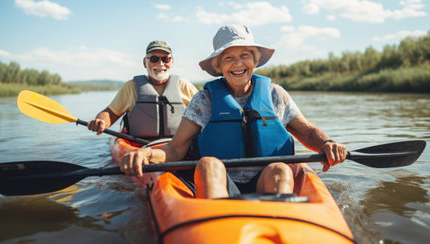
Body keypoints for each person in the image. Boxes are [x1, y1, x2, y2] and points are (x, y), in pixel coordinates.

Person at [119, 25, 347, 198]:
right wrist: (145, 155)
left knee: (280, 169)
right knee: (208, 164)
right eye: (229, 58)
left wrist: (327, 143)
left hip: (264, 181)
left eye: (244, 56)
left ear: (255, 61)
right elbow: (176, 150)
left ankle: (276, 224)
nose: (238, 64)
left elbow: (307, 132)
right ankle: (218, 227)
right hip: (219, 182)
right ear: (218, 66)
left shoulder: (276, 94)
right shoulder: (204, 100)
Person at [87, 40, 198, 140]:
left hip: (178, 145)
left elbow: (205, 113)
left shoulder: (184, 85)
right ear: (145, 62)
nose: (160, 63)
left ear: (171, 62)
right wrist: (101, 121)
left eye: (166, 59)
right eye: (154, 59)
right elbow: (111, 112)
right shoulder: (131, 87)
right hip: (140, 145)